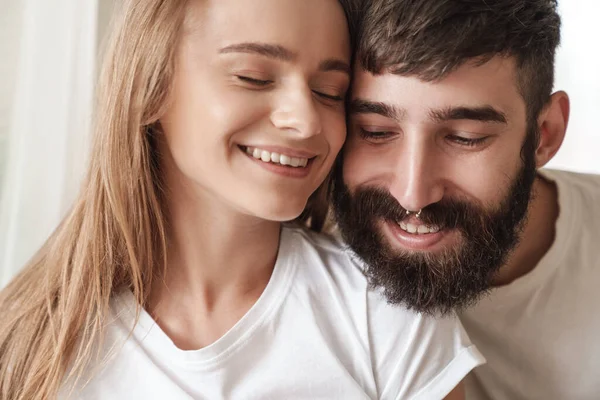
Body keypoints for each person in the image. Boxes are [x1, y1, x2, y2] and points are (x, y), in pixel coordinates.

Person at [0, 0, 485, 399]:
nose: (305, 120)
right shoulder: (32, 345)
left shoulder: (386, 311)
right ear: (151, 87)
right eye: (254, 77)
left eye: (329, 91)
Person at [331, 0, 600, 398]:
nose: (413, 193)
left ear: (544, 134)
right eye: (374, 131)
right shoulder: (294, 258)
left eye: (464, 138)